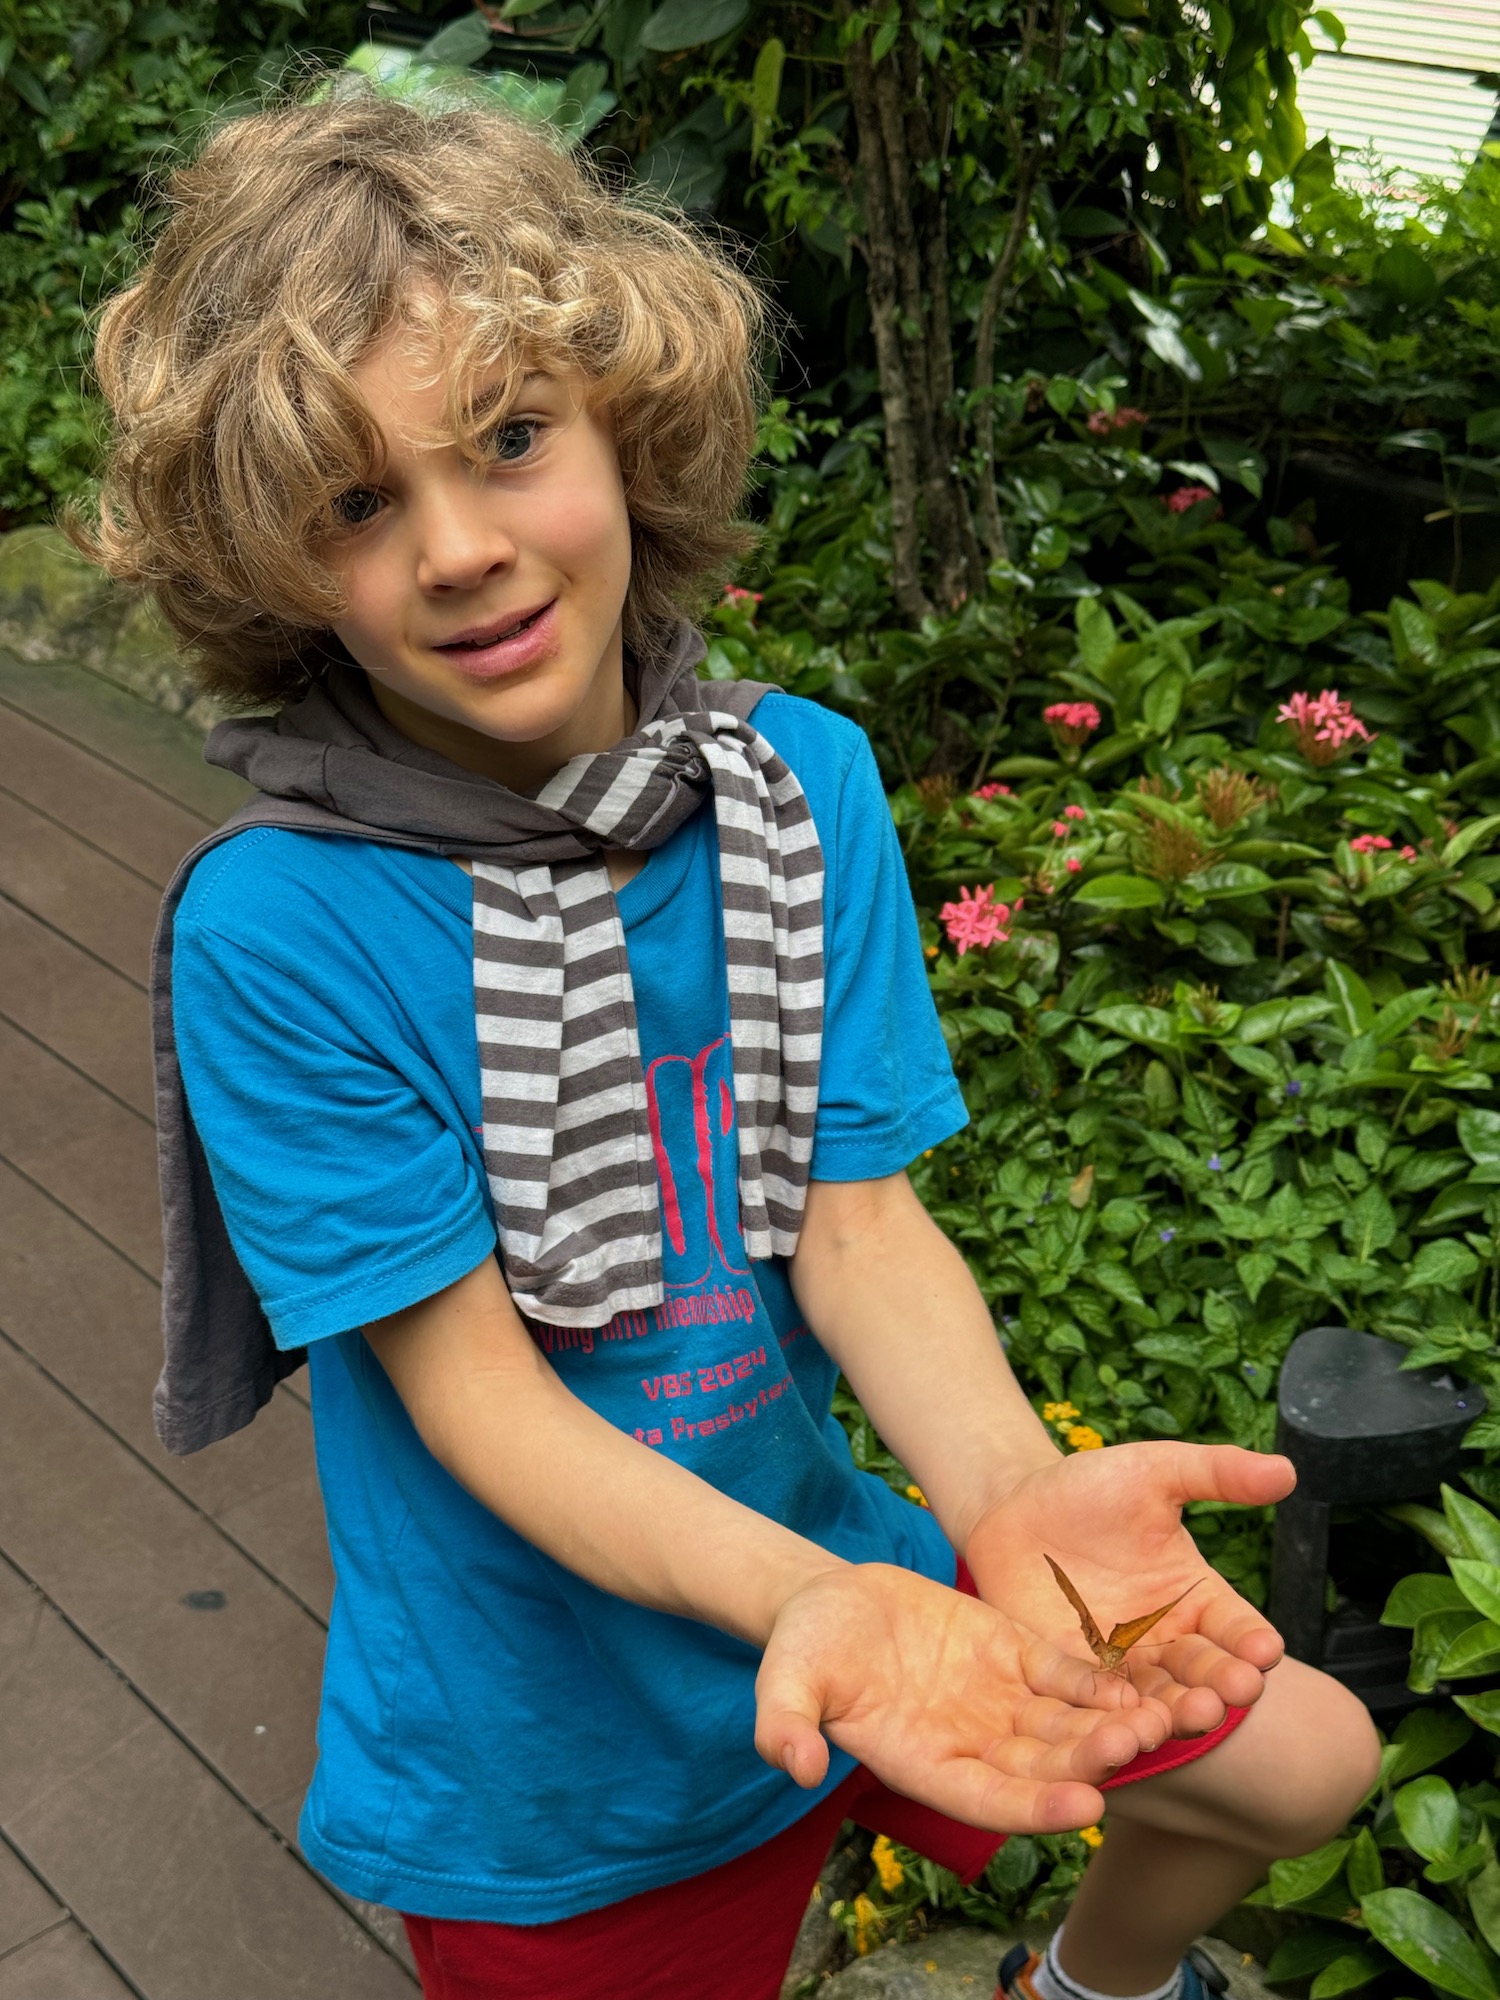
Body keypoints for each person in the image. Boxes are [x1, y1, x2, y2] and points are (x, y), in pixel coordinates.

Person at [76, 87, 1380, 2000]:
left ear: (629, 423)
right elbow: (483, 1403)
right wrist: (826, 1612)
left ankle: (1086, 1988)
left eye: (508, 440)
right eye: (359, 503)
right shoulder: (286, 931)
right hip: (552, 1761)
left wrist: (1008, 1501)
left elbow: (857, 1229)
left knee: (1298, 1762)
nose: (458, 548)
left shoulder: (796, 788)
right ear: (274, 562)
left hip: (846, 1571)